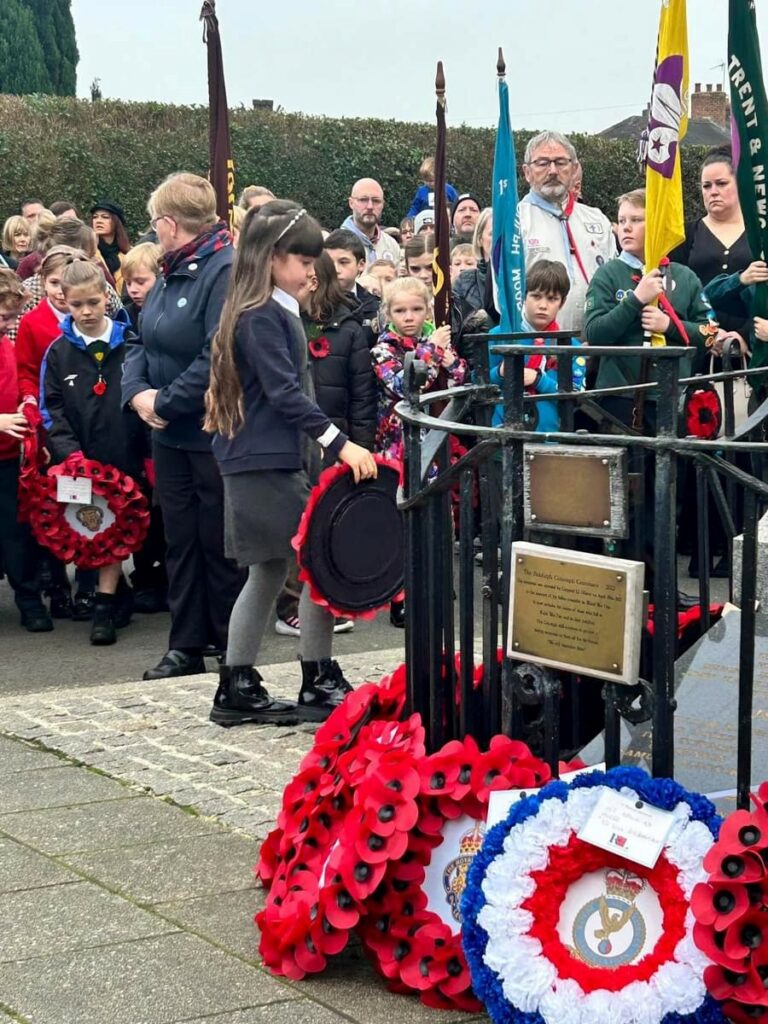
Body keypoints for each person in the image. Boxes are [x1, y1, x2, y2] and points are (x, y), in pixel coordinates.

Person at [204, 201, 378, 726]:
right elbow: (283, 394)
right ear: (272, 257)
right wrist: (340, 443)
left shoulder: (271, 310)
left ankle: (240, 683)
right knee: (319, 563)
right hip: (263, 461)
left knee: (271, 570)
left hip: (263, 459)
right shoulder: (261, 316)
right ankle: (316, 677)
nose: (311, 270)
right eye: (302, 260)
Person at [123, 171, 245, 681]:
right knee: (180, 540)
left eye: (155, 224)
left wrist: (166, 401)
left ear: (170, 224)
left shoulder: (224, 269)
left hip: (209, 431)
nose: (154, 233)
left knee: (217, 541)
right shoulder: (170, 270)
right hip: (168, 432)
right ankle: (185, 643)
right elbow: (138, 340)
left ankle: (228, 645)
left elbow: (218, 352)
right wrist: (136, 394)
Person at [274, 250, 377, 638]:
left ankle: (328, 601)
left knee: (330, 525)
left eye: (318, 278)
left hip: (339, 439)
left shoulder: (349, 329)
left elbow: (362, 395)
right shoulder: (284, 321)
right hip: (297, 439)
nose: (311, 285)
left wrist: (360, 444)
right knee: (294, 524)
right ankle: (290, 605)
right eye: (306, 277)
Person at [39, 258, 137, 645]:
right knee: (91, 532)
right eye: (77, 305)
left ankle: (105, 604)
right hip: (79, 463)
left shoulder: (129, 342)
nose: (86, 312)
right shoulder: (59, 352)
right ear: (64, 301)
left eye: (93, 303)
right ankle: (111, 598)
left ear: (107, 298)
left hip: (123, 454)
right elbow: (52, 408)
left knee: (119, 531)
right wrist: (69, 453)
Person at [371, 277, 466, 627]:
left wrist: (443, 351)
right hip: (399, 444)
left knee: (438, 514)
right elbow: (406, 384)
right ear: (388, 313)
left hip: (436, 442)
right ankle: (401, 596)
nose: (409, 316)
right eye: (400, 310)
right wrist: (431, 349)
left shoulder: (433, 342)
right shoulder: (383, 349)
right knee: (403, 522)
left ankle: (437, 584)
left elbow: (458, 374)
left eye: (415, 309)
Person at [520, 131, 615, 332]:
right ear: (527, 172)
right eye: (543, 163)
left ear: (574, 169)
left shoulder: (597, 218)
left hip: (595, 346)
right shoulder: (515, 221)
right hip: (538, 351)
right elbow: (504, 295)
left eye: (561, 162)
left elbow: (613, 281)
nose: (553, 170)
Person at [0, 269, 51, 633]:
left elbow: (19, 384)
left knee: (16, 530)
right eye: (6, 317)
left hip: (7, 456)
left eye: (15, 316)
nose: (12, 323)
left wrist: (26, 406)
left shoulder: (5, 343)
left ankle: (28, 596)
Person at [120, 241, 168, 614]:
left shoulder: (166, 317)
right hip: (137, 431)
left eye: (141, 281)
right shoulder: (129, 319)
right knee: (143, 510)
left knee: (164, 509)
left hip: (162, 427)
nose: (134, 289)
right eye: (129, 282)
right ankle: (146, 575)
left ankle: (165, 574)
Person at [670, 147, 753, 361]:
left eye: (721, 183)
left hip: (753, 347)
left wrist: (745, 336)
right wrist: (707, 334)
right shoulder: (685, 234)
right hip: (698, 347)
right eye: (706, 186)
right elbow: (675, 293)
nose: (713, 191)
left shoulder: (759, 233)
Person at [489, 259, 585, 431]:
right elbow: (478, 384)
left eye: (552, 299)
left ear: (562, 303)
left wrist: (539, 380)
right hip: (501, 437)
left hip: (550, 440)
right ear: (524, 296)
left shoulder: (571, 346)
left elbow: (576, 396)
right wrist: (499, 373)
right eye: (536, 296)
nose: (542, 305)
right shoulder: (499, 335)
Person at [323, 229, 380, 347]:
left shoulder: (375, 307)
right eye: (329, 262)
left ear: (361, 265)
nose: (335, 269)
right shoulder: (311, 304)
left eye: (343, 262)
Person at [341, 178, 401, 266]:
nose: (370, 206)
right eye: (363, 200)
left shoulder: (391, 246)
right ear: (351, 203)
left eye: (376, 201)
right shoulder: (335, 245)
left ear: (383, 204)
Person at [91, 202, 131, 294]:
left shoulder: (128, 255)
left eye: (105, 217)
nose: (98, 221)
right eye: (95, 217)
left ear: (116, 221)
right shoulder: (88, 252)